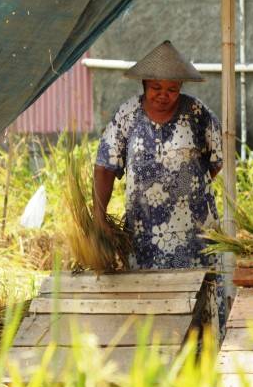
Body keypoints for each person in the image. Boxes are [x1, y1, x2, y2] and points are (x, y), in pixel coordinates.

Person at [93, 40, 226, 326]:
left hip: (195, 234)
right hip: (144, 234)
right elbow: (105, 165)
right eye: (156, 89)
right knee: (149, 310)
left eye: (172, 90)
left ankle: (202, 365)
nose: (164, 96)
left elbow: (215, 163)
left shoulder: (198, 115)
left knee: (199, 306)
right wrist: (99, 215)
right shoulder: (127, 115)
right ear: (144, 84)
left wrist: (181, 193)